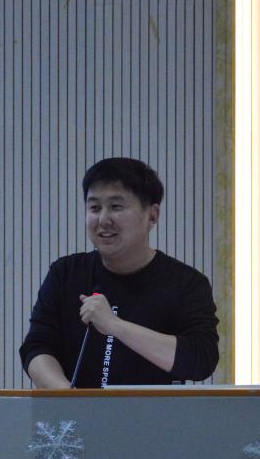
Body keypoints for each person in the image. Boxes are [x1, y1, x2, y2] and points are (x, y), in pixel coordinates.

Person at [20, 157, 219, 389]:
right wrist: (68, 398)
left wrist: (114, 325)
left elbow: (201, 360)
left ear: (152, 215)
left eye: (116, 207)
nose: (103, 220)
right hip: (75, 411)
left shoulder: (186, 283)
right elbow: (37, 347)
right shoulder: (65, 274)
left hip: (153, 412)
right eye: (94, 208)